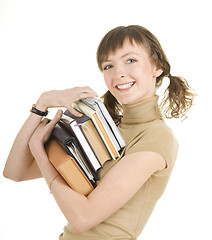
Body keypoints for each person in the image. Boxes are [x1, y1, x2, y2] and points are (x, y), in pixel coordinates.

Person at [3, 25, 196, 239]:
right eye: (108, 66)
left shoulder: (157, 138)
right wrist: (43, 103)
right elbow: (15, 171)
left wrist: (40, 153)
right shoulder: (102, 126)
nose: (119, 73)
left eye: (130, 60)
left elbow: (82, 218)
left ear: (157, 66)